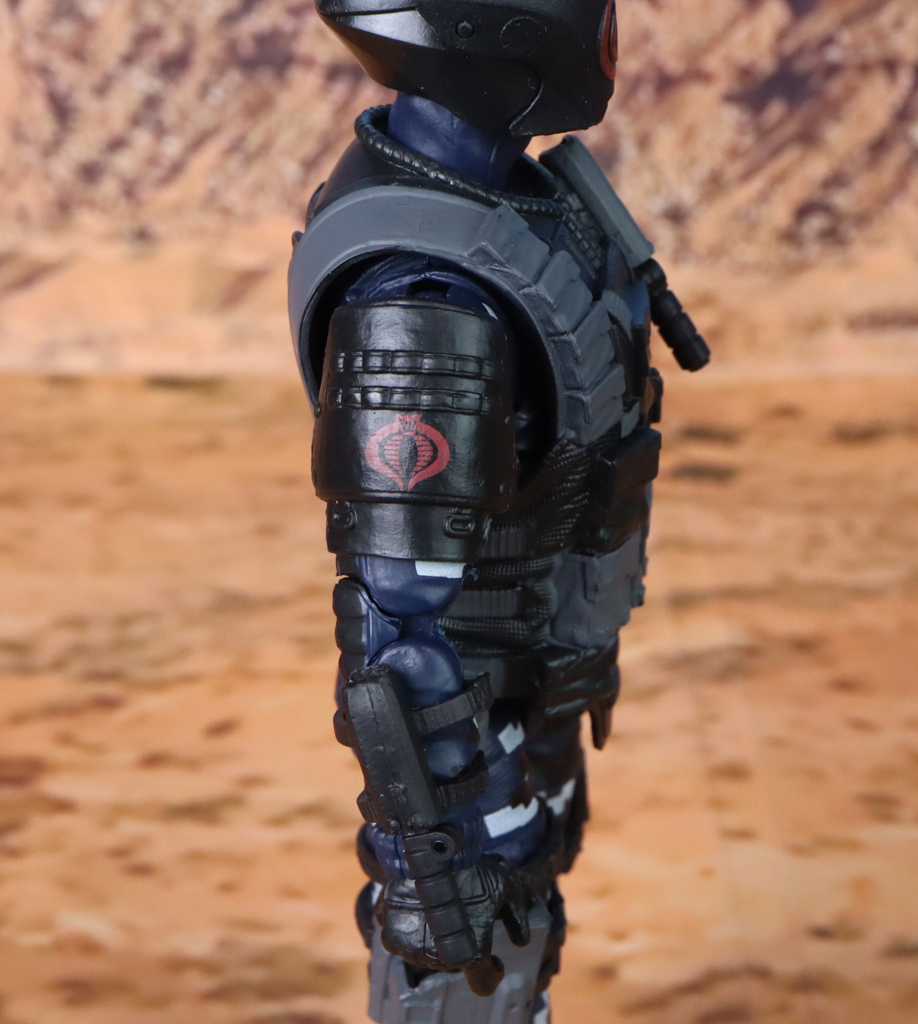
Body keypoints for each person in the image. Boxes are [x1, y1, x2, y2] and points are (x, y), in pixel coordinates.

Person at [288, 3, 708, 1021]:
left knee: (524, 949)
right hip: (472, 725)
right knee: (473, 972)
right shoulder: (425, 292)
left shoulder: (515, 208)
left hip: (530, 688)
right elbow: (394, 637)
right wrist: (436, 866)